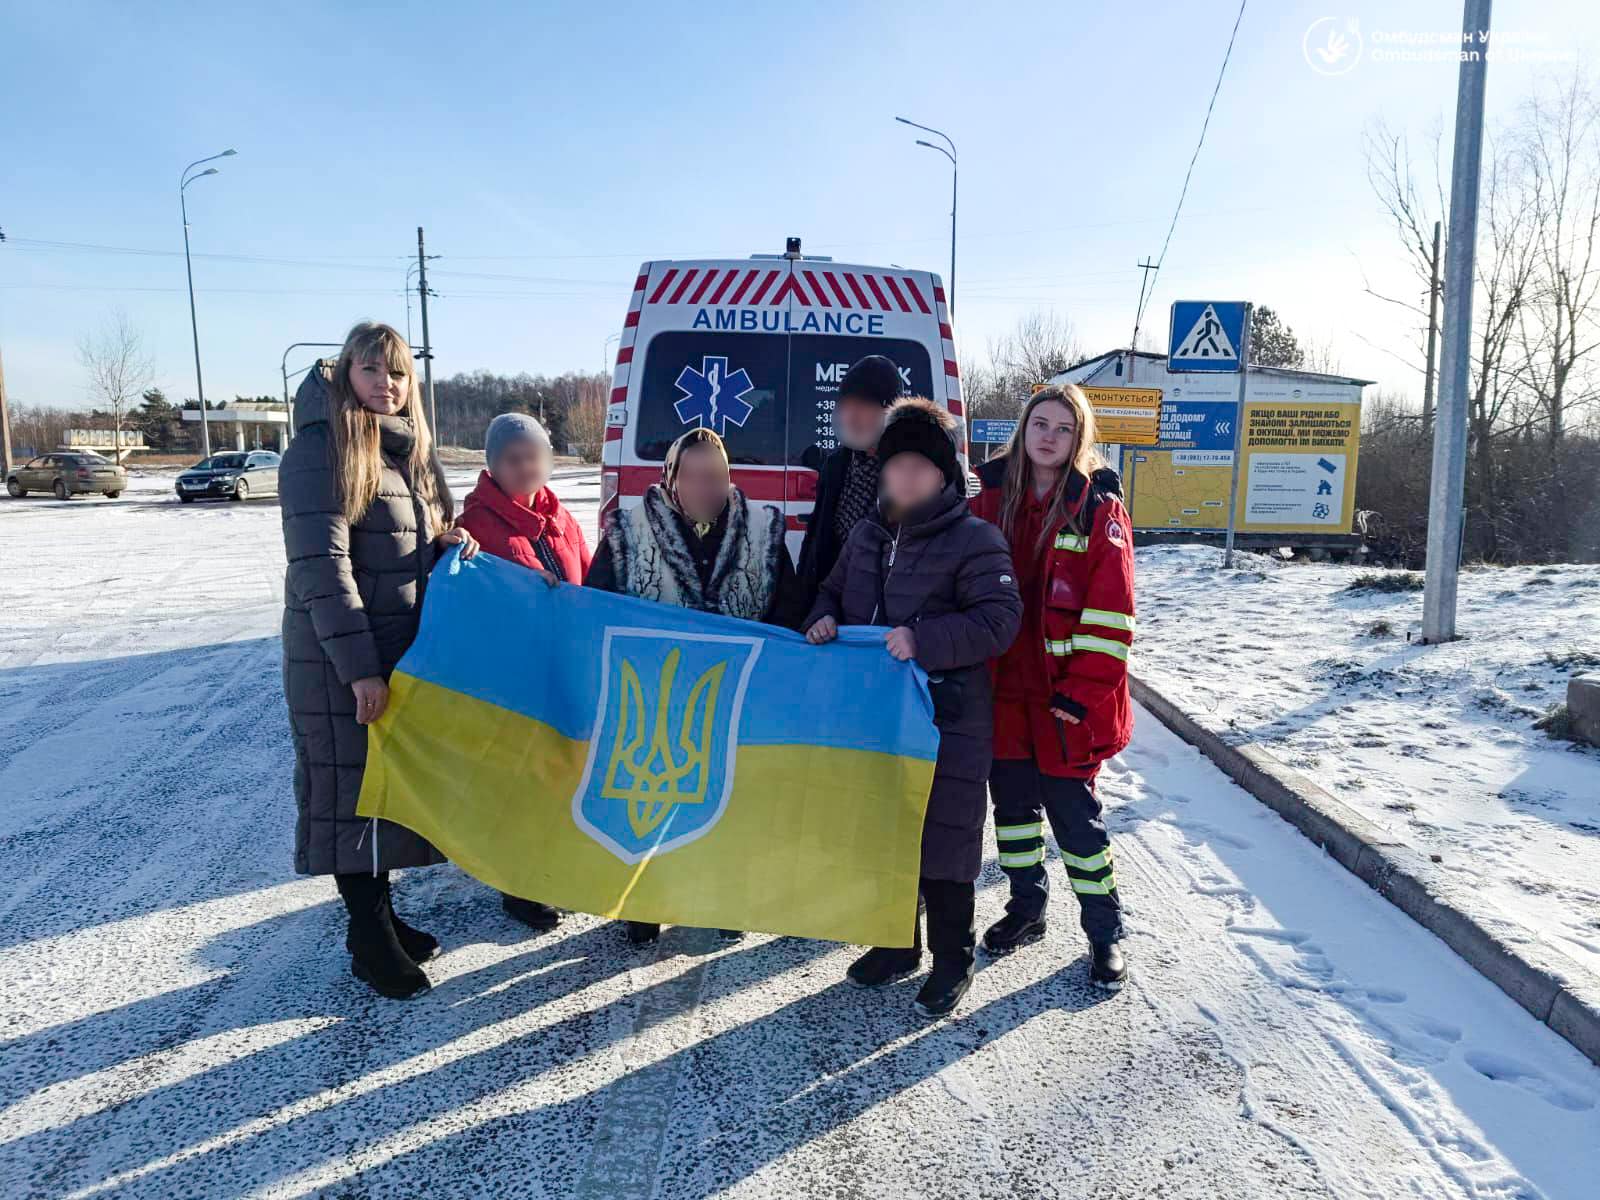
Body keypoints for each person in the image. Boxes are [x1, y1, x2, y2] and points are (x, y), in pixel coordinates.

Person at [803, 397, 1021, 1017]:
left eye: (920, 467)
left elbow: (1000, 620)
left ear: (945, 475)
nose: (906, 477)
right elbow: (831, 592)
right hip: (874, 722)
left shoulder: (975, 539)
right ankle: (898, 944)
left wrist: (925, 639)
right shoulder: (868, 536)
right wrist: (821, 619)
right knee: (883, 834)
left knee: (945, 843)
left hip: (948, 719)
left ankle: (955, 958)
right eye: (896, 464)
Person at [279, 321, 478, 1000]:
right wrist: (359, 667)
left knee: (384, 789)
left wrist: (448, 542)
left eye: (397, 374)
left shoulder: (404, 453)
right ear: (344, 373)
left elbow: (397, 545)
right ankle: (367, 937)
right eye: (372, 370)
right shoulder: (321, 450)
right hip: (342, 659)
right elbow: (321, 567)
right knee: (348, 793)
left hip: (396, 654)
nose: (387, 384)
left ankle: (383, 914)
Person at [586, 425, 804, 944]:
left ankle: (723, 900)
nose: (709, 488)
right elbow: (593, 610)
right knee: (654, 805)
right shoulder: (627, 533)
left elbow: (789, 611)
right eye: (697, 477)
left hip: (732, 703)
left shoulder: (763, 531)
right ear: (672, 480)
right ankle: (643, 903)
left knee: (729, 806)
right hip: (654, 702)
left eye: (719, 477)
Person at [969, 384, 1135, 992]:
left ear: (1080, 438)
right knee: (1011, 814)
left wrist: (1079, 693)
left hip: (1068, 703)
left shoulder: (1098, 510)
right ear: (1022, 428)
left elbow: (1112, 615)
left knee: (1077, 826)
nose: (1048, 436)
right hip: (1002, 695)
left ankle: (1105, 932)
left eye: (1063, 428)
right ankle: (1025, 909)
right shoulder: (984, 497)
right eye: (1039, 423)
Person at [455, 411, 590, 932]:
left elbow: (590, 578)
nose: (525, 467)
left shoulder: (562, 518)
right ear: (493, 465)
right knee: (518, 784)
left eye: (534, 457)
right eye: (513, 459)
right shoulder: (476, 527)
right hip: (513, 680)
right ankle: (519, 886)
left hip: (564, 671)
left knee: (560, 776)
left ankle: (554, 870)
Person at [795, 354, 901, 605]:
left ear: (889, 410)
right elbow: (815, 542)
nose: (850, 417)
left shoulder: (907, 470)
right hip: (828, 606)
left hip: (879, 615)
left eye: (862, 406)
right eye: (845, 405)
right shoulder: (836, 465)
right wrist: (803, 601)